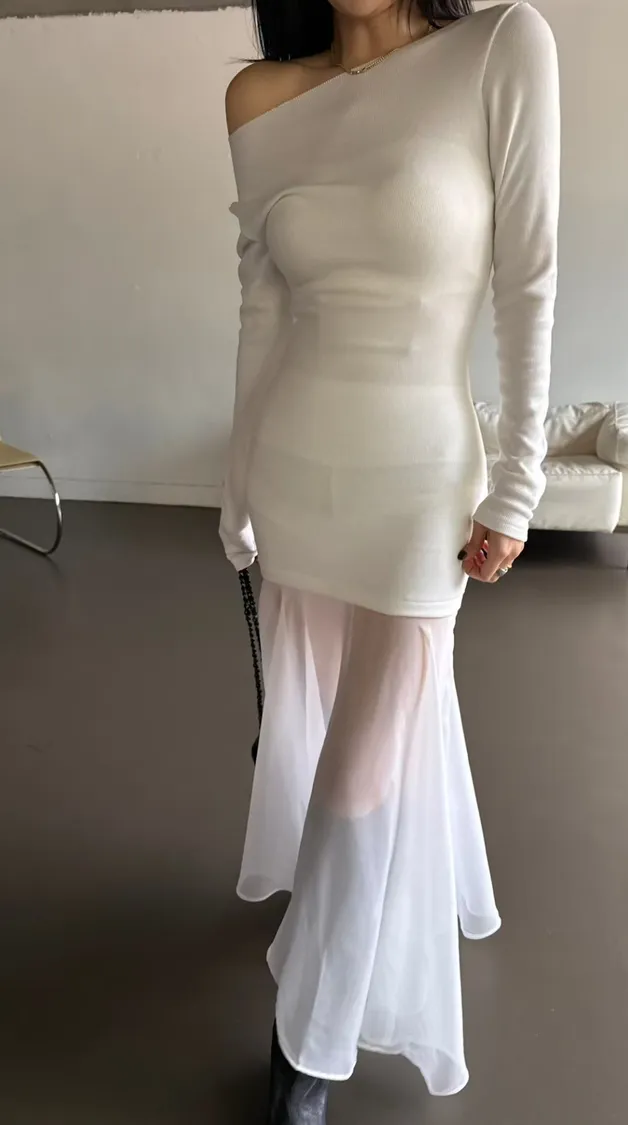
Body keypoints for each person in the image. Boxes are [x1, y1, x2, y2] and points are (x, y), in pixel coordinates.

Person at [219, 0, 560, 1121]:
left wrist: (518, 483)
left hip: (420, 484)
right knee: (324, 726)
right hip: (296, 467)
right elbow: (261, 308)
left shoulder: (503, 46)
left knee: (361, 766)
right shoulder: (259, 96)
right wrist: (237, 483)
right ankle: (405, 897)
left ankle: (306, 1042)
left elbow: (528, 281)